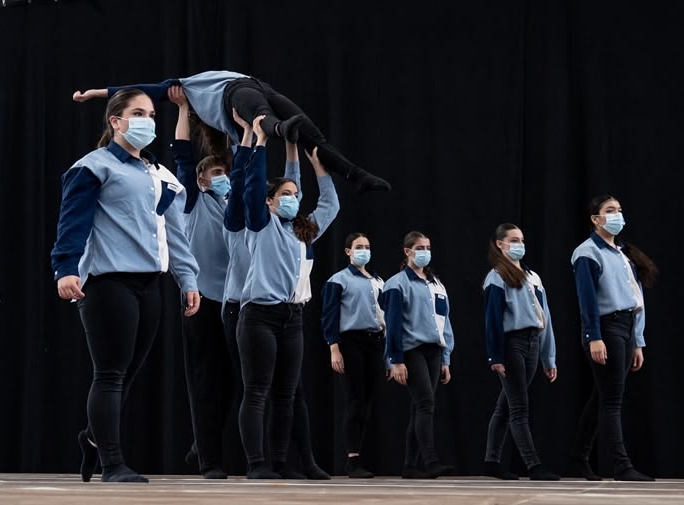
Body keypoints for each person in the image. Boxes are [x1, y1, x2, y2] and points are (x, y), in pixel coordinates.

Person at [51, 88, 201, 483]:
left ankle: (93, 438)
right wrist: (65, 268)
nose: (147, 120)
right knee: (111, 373)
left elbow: (176, 234)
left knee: (129, 373)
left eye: (151, 113)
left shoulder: (161, 176)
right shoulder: (93, 167)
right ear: (116, 121)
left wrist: (188, 278)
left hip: (150, 285)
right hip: (107, 281)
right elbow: (73, 223)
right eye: (137, 112)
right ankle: (111, 463)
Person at [71, 71, 390, 193]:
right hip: (237, 95)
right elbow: (146, 91)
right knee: (259, 117)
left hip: (261, 85)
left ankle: (356, 176)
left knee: (313, 137)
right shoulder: (199, 101)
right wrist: (100, 96)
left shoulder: (190, 88)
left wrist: (96, 91)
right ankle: (278, 128)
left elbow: (140, 86)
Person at [234, 111, 339, 479]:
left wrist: (304, 155)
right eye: (286, 195)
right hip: (259, 316)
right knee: (258, 391)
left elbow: (330, 206)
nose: (293, 198)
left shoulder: (303, 232)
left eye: (296, 195)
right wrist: (263, 141)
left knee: (287, 394)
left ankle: (282, 462)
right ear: (269, 202)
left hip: (293, 318)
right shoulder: (261, 225)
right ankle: (257, 464)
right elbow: (252, 185)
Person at [169, 85, 234, 479]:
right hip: (200, 298)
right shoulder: (192, 199)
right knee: (205, 381)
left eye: (225, 171)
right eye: (216, 173)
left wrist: (241, 127)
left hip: (235, 300)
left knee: (230, 383)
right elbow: (182, 155)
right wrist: (182, 111)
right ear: (202, 179)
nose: (223, 176)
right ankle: (209, 458)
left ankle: (201, 444)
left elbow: (244, 161)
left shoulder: (237, 202)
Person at [570, 195, 658, 482]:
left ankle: (578, 459)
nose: (617, 215)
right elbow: (587, 301)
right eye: (610, 211)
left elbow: (636, 297)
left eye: (619, 210)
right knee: (612, 400)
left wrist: (639, 340)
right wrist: (593, 337)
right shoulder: (587, 252)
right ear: (596, 219)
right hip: (606, 327)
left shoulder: (622, 252)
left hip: (626, 327)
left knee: (602, 397)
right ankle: (621, 465)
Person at [481, 223, 560, 481]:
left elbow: (545, 317)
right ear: (500, 244)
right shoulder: (496, 277)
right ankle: (533, 464)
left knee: (505, 405)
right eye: (513, 240)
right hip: (511, 343)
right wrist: (495, 356)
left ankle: (491, 461)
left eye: (522, 240)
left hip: (533, 342)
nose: (519, 245)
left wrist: (549, 356)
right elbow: (492, 320)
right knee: (518, 407)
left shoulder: (532, 277)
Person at [382, 231, 455, 479]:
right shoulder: (396, 284)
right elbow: (392, 325)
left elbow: (445, 323)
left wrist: (446, 358)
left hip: (434, 350)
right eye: (419, 247)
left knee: (419, 407)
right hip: (411, 349)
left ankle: (409, 465)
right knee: (425, 403)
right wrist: (396, 360)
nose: (425, 251)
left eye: (428, 246)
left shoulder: (436, 284)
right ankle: (431, 461)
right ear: (407, 251)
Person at [320, 233, 385, 478]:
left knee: (367, 403)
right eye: (359, 247)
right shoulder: (339, 280)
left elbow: (384, 315)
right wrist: (334, 347)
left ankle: (363, 455)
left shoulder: (378, 280)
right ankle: (352, 459)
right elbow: (329, 315)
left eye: (367, 247)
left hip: (375, 342)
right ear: (348, 251)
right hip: (351, 342)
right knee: (354, 400)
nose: (364, 251)